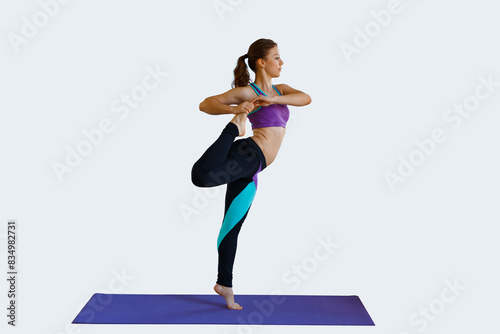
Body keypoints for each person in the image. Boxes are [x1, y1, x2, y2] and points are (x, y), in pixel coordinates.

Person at [191, 38, 312, 310]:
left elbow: (306, 98)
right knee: (201, 177)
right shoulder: (249, 92)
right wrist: (236, 111)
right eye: (277, 57)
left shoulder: (281, 90)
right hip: (247, 153)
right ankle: (234, 128)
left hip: (253, 168)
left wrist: (274, 99)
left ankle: (225, 285)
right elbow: (206, 104)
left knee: (231, 227)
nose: (281, 62)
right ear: (262, 62)